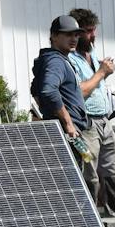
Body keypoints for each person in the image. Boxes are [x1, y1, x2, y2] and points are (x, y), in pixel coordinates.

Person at [66, 8, 115, 216]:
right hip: (86, 123)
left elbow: (94, 84)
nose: (94, 35)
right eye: (89, 31)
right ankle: (88, 218)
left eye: (94, 30)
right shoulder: (69, 59)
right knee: (89, 172)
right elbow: (80, 91)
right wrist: (101, 72)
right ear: (77, 33)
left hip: (104, 120)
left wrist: (102, 73)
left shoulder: (91, 52)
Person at [31, 15, 91, 169]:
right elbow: (48, 91)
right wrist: (68, 123)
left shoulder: (54, 59)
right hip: (67, 133)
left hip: (59, 131)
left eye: (76, 34)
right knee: (74, 184)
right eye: (68, 34)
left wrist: (47, 110)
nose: (74, 39)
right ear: (54, 36)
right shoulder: (56, 61)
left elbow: (35, 89)